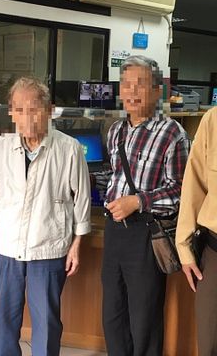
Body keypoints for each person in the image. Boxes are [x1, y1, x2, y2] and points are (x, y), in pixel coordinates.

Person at [92, 55, 189, 356]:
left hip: (146, 234)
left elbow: (181, 190)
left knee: (144, 318)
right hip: (114, 231)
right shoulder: (116, 130)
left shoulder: (172, 133)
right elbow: (116, 174)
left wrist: (138, 201)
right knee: (113, 314)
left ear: (157, 90)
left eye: (141, 84)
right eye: (126, 84)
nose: (132, 92)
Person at [0, 77, 91, 356]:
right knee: (4, 319)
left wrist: (76, 246)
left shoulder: (69, 148)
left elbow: (81, 200)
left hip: (48, 248)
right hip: (9, 248)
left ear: (49, 110)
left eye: (34, 109)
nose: (26, 117)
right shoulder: (0, 148)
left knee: (46, 321)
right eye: (19, 109)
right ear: (11, 112)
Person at [176, 106, 217, 356]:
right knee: (210, 342)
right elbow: (194, 186)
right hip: (215, 254)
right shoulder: (213, 120)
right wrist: (184, 247)